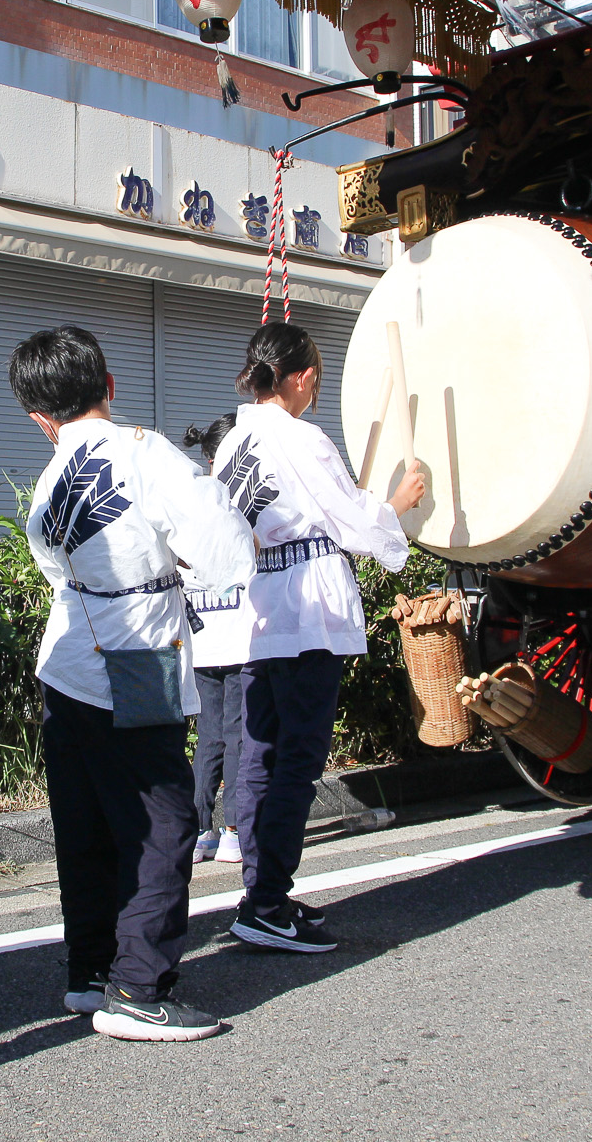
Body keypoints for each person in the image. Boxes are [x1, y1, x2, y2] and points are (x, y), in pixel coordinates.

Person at [10, 326, 251, 1041]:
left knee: (84, 825)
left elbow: (57, 569)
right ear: (109, 385)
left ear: (38, 418)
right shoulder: (145, 452)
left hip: (66, 657)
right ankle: (140, 987)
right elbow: (225, 548)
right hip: (138, 652)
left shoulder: (52, 479)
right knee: (165, 821)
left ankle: (90, 971)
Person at [214, 322, 423, 954]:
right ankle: (267, 903)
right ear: (302, 377)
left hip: (263, 609)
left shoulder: (232, 443)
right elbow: (353, 523)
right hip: (308, 610)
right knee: (296, 761)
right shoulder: (301, 437)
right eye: (318, 377)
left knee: (261, 757)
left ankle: (263, 892)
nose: (316, 389)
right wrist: (396, 502)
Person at [182, 414, 248, 865]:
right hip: (242, 641)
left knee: (209, 738)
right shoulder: (239, 503)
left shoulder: (187, 501)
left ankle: (200, 830)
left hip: (201, 644)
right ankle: (234, 830)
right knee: (239, 736)